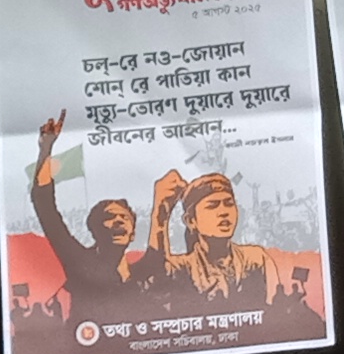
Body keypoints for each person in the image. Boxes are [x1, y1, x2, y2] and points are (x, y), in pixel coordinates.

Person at [29, 114, 148, 320]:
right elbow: (44, 204)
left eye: (124, 217)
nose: (119, 221)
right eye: (110, 216)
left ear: (133, 233)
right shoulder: (80, 261)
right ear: (94, 229)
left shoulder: (143, 274)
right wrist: (46, 148)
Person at [146, 167, 288, 320]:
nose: (223, 212)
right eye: (212, 206)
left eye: (229, 203)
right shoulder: (182, 268)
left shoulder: (256, 260)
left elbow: (277, 309)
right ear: (191, 221)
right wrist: (160, 216)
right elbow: (156, 280)